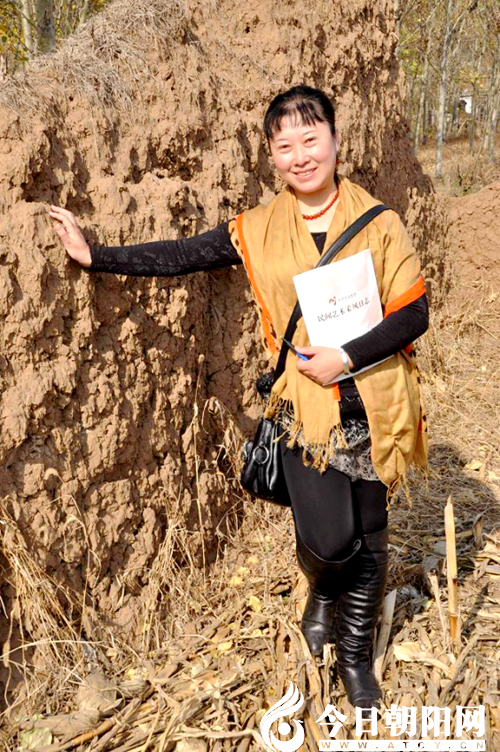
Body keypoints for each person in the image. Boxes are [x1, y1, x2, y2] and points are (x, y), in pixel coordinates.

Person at [49, 85, 429, 711]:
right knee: (332, 541)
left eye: (311, 139)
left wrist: (347, 357)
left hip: (377, 401)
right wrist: (96, 256)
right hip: (305, 410)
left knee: (372, 534)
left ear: (336, 140)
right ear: (272, 156)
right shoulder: (257, 229)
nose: (300, 156)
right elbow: (183, 255)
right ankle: (322, 589)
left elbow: (413, 312)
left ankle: (355, 659)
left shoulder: (380, 222)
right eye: (285, 145)